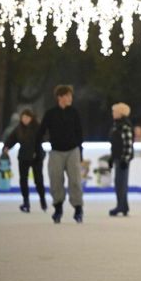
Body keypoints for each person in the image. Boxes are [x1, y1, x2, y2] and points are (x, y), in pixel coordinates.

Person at [36, 85, 84, 224]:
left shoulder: (74, 112)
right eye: (67, 96)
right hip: (56, 151)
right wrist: (38, 148)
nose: (70, 98)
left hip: (73, 151)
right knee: (56, 180)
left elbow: (79, 133)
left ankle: (78, 208)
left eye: (70, 96)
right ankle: (58, 208)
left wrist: (80, 151)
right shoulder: (50, 114)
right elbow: (41, 131)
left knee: (75, 181)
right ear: (60, 97)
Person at [2, 109, 47, 213]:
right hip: (23, 157)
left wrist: (36, 151)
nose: (25, 119)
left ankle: (42, 199)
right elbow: (12, 139)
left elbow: (42, 138)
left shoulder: (37, 127)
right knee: (23, 180)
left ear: (31, 118)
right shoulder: (19, 129)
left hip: (36, 157)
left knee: (38, 180)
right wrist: (6, 147)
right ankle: (26, 202)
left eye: (27, 117)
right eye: (23, 117)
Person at [108, 103, 134, 216]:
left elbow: (128, 144)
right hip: (118, 158)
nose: (113, 113)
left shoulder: (124, 126)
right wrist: (112, 158)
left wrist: (125, 159)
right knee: (119, 183)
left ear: (120, 113)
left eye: (114, 111)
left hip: (122, 159)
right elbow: (115, 144)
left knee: (121, 183)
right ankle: (123, 206)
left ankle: (121, 206)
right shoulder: (116, 125)